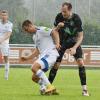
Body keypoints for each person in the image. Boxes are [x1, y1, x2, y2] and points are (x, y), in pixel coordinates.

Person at [48, 2, 89, 96]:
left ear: (70, 10)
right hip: (61, 43)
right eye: (62, 11)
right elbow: (53, 31)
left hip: (74, 41)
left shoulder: (76, 18)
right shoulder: (59, 16)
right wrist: (58, 27)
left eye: (65, 12)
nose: (63, 13)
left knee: (81, 62)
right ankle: (48, 88)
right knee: (56, 65)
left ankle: (85, 90)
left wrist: (74, 48)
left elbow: (81, 36)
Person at [22, 20, 60, 95]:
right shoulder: (34, 37)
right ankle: (49, 89)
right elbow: (37, 51)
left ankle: (49, 86)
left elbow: (54, 32)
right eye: (25, 31)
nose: (27, 32)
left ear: (30, 25)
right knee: (34, 78)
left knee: (34, 67)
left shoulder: (41, 29)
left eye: (27, 29)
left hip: (50, 54)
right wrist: (27, 58)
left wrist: (57, 43)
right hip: (44, 56)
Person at [0, 10, 13, 80]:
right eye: (2, 15)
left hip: (4, 42)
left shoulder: (10, 24)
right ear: (0, 15)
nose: (3, 16)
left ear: (7, 16)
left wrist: (2, 40)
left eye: (5, 15)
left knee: (6, 58)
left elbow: (8, 34)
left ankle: (6, 75)